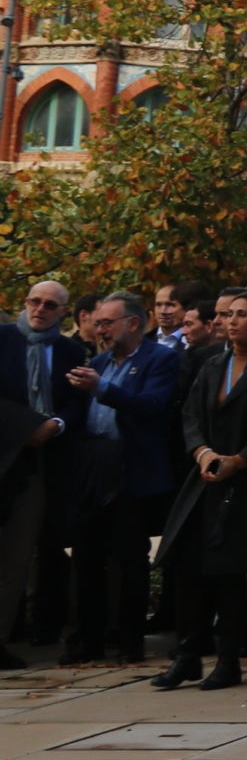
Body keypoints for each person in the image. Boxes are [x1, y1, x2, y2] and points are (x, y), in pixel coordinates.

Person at [151, 290, 247, 691]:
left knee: (229, 573)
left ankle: (228, 660)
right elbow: (189, 414)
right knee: (187, 567)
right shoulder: (211, 365)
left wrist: (240, 460)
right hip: (204, 479)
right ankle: (188, 654)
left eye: (242, 314)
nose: (232, 321)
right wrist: (203, 451)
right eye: (228, 315)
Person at [62, 290, 181, 666]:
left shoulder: (160, 359)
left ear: (133, 323)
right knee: (86, 557)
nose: (101, 330)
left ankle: (130, 642)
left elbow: (153, 408)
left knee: (129, 560)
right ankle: (88, 640)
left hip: (132, 470)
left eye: (107, 323)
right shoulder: (99, 360)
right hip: (94, 468)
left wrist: (103, 389)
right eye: (97, 323)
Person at [0, 281, 81, 672]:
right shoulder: (3, 340)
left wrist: (56, 424)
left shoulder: (70, 351)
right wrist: (27, 428)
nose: (41, 309)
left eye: (50, 305)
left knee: (18, 555)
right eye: (35, 301)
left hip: (43, 463)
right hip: (5, 453)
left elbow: (76, 401)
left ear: (63, 312)